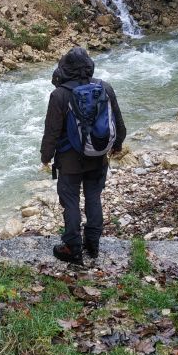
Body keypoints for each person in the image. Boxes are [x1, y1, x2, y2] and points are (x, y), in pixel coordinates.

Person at [40, 47, 126, 265]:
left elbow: (51, 131)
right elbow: (118, 122)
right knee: (94, 197)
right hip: (98, 156)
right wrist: (117, 145)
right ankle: (93, 244)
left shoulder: (59, 95)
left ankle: (73, 247)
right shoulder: (104, 87)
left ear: (65, 68)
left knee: (70, 201)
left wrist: (45, 157)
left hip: (70, 160)